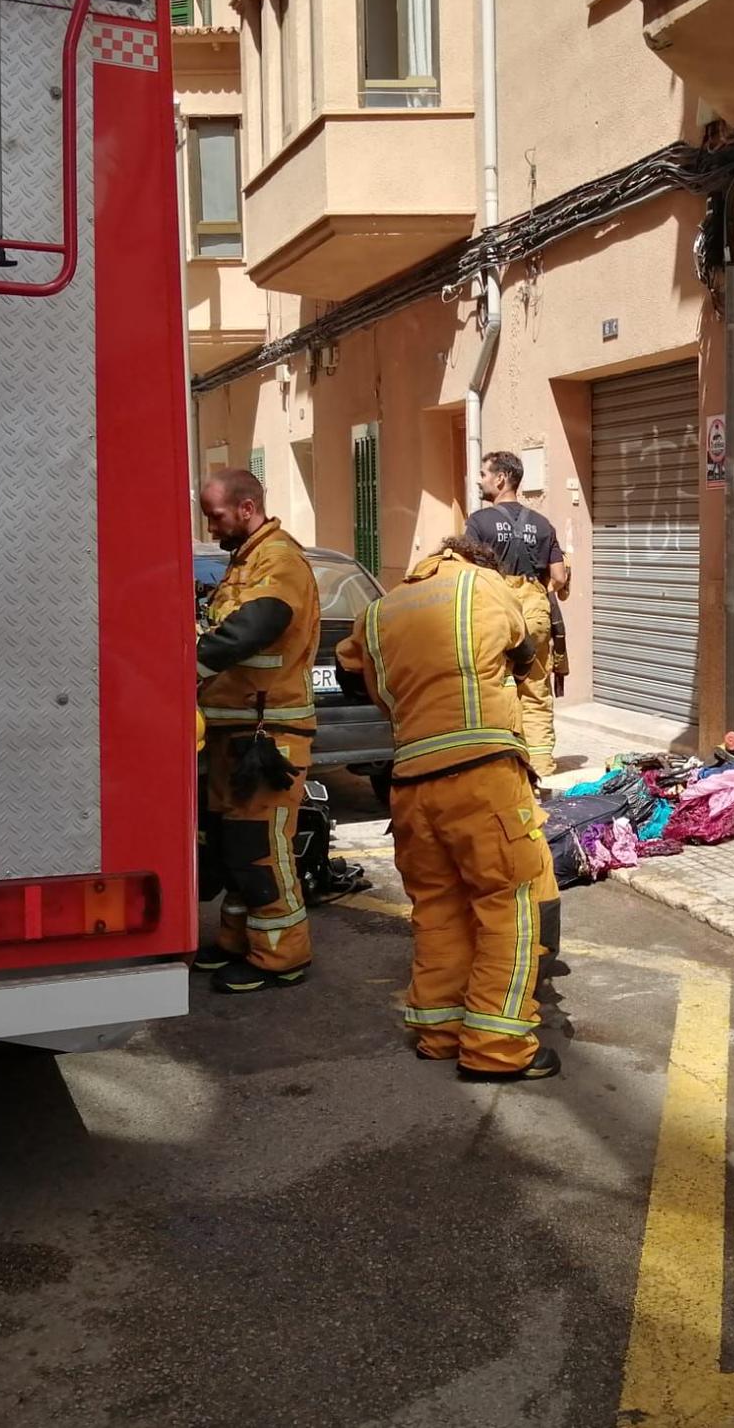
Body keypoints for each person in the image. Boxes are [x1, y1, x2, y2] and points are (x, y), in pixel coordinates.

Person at [336, 535, 563, 1082]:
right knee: (509, 902)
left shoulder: (378, 612)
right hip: (482, 775)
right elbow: (528, 657)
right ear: (477, 558)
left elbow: (348, 675)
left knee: (438, 908)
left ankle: (440, 1032)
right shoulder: (484, 585)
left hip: (411, 782)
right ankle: (496, 1046)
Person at [193, 468, 323, 994]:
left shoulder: (278, 560)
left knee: (261, 848)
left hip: (268, 735)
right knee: (234, 847)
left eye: (217, 515)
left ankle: (281, 956)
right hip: (238, 734)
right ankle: (237, 942)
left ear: (246, 508)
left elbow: (260, 622)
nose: (211, 525)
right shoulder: (245, 562)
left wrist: (191, 664)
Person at [463, 451, 569, 785]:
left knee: (494, 687)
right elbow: (560, 577)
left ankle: (501, 770)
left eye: (483, 474)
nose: (479, 480)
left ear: (501, 478)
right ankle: (541, 769)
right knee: (536, 690)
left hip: (497, 609)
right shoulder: (542, 525)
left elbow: (468, 571)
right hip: (536, 610)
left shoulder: (479, 522)